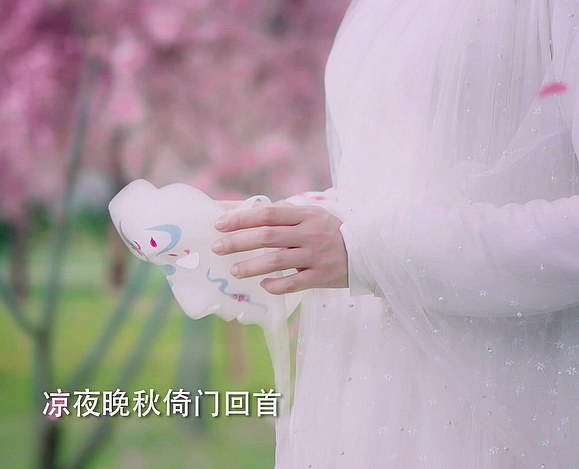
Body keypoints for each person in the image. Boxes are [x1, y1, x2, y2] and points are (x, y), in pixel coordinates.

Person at [211, 1, 579, 467]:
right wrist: (286, 227)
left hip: (500, 402)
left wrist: (367, 251)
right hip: (368, 395)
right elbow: (397, 180)